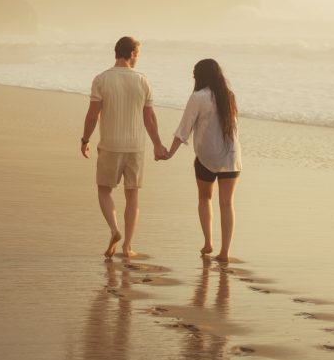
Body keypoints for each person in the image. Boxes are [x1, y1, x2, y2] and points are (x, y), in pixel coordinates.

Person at [81, 36, 167, 259]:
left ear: (116, 53)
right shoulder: (143, 80)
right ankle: (128, 247)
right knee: (132, 196)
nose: (137, 58)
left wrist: (85, 139)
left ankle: (113, 229)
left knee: (104, 189)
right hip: (136, 146)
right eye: (137, 54)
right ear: (132, 54)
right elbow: (150, 118)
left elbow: (93, 115)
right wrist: (157, 144)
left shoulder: (101, 79)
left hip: (110, 144)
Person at [164, 58, 241, 262]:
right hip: (231, 158)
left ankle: (208, 242)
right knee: (227, 203)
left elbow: (184, 129)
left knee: (205, 198)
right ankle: (225, 252)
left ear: (199, 76)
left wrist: (169, 153)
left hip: (207, 157)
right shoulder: (229, 96)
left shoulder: (198, 97)